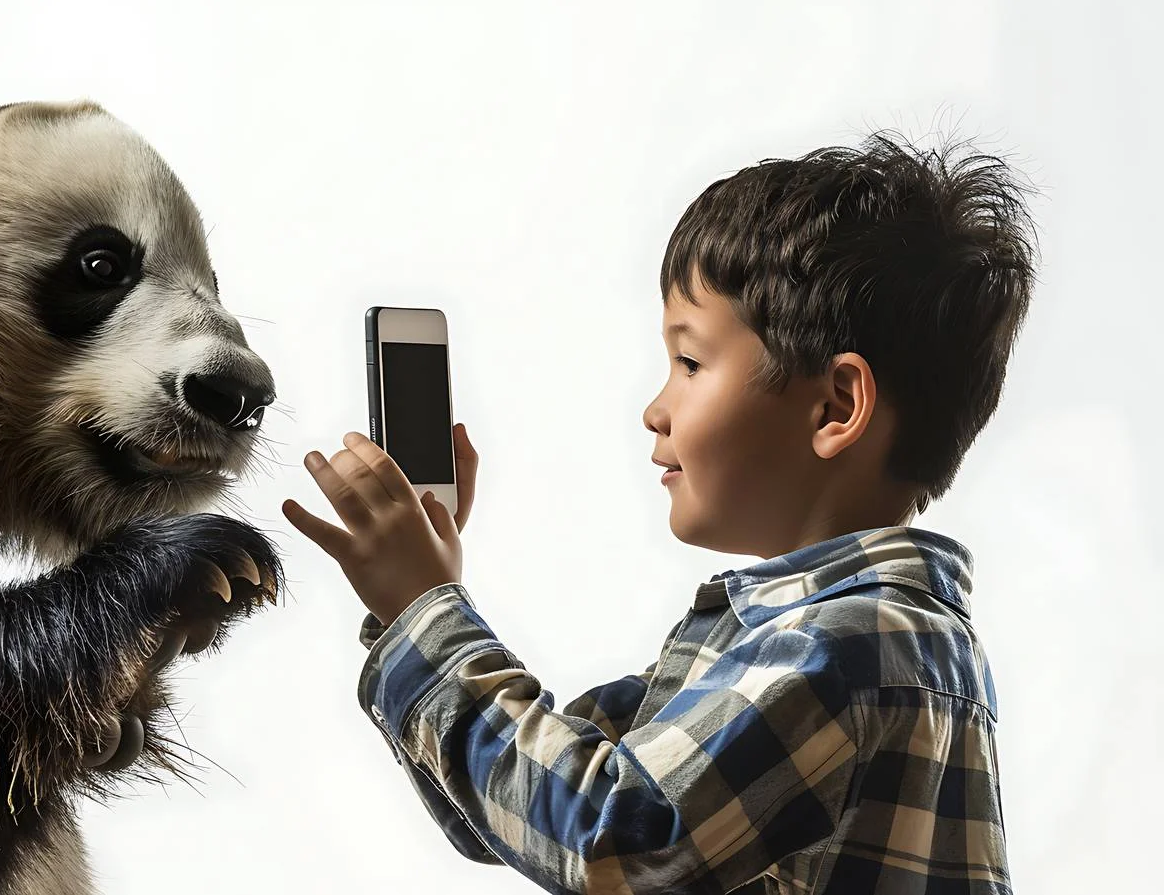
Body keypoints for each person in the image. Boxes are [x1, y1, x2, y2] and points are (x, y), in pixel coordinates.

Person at [281, 132, 1033, 894]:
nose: (655, 408)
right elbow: (517, 816)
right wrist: (408, 606)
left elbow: (607, 839)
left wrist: (424, 609)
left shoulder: (843, 650)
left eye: (690, 362)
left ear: (835, 407)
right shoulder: (831, 643)